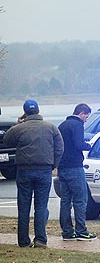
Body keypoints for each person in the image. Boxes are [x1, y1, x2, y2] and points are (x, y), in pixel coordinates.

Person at [2, 100, 64, 248]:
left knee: (23, 207)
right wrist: (53, 164)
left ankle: (23, 241)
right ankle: (41, 239)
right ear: (38, 110)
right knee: (41, 206)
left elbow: (7, 139)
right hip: (44, 170)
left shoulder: (20, 128)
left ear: (25, 113)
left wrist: (17, 123)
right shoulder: (51, 128)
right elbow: (60, 148)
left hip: (24, 170)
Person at [57, 103, 96, 241]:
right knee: (80, 200)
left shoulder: (62, 125)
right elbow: (78, 144)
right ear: (81, 113)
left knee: (65, 201)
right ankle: (81, 230)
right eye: (86, 116)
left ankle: (67, 231)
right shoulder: (77, 125)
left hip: (62, 167)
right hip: (75, 167)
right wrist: (88, 145)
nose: (86, 119)